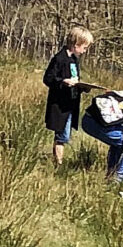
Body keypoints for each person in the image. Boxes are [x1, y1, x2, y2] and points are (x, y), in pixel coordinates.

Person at [43, 27, 94, 164]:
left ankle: (58, 160)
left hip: (71, 103)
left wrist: (82, 87)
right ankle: (58, 163)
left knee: (65, 133)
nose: (84, 51)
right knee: (61, 134)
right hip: (60, 104)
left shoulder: (74, 60)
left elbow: (74, 79)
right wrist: (63, 82)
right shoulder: (59, 59)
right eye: (84, 47)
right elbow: (48, 78)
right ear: (76, 44)